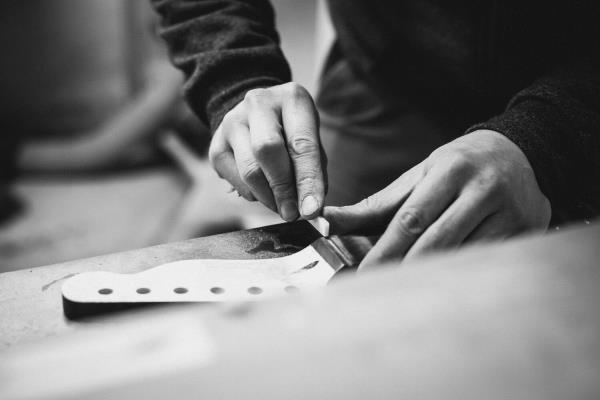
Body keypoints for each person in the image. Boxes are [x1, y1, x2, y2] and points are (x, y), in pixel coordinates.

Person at [151, 0, 600, 268]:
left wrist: (543, 137)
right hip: (387, 80)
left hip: (580, 101)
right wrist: (236, 77)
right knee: (336, 298)